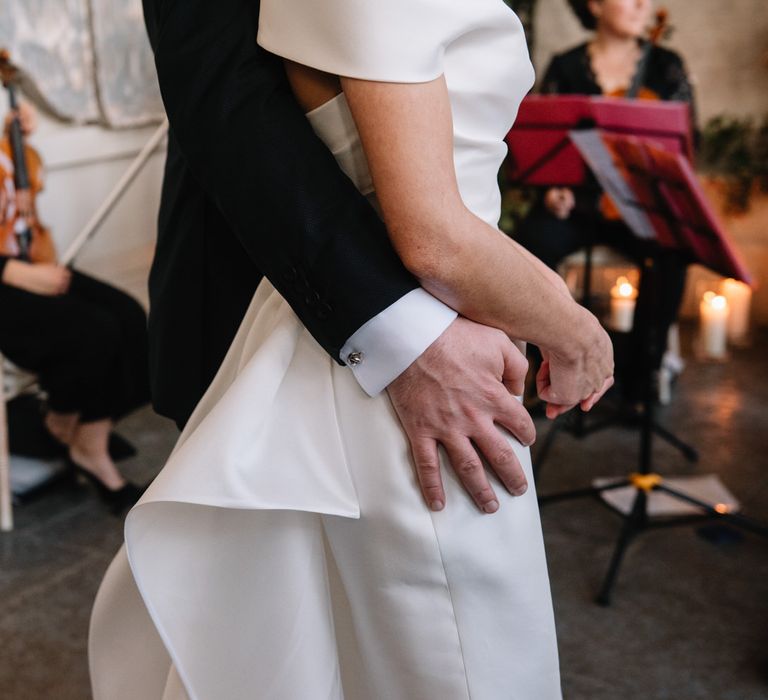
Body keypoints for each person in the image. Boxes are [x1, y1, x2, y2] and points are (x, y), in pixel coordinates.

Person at [89, 0, 614, 698]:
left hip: (400, 318)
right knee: (462, 663)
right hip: (392, 346)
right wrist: (576, 329)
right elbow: (432, 234)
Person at [514, 0, 696, 399]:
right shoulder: (566, 66)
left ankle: (639, 373)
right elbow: (544, 140)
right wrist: (551, 189)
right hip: (577, 209)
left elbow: (685, 143)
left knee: (673, 253)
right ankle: (532, 366)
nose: (642, 4)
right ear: (594, 5)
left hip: (640, 211)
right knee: (528, 244)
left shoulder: (667, 65)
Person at [0, 102, 149, 511]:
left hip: (27, 259)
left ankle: (84, 434)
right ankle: (71, 430)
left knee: (129, 317)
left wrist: (14, 137)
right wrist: (13, 273)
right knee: (92, 331)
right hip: (7, 277)